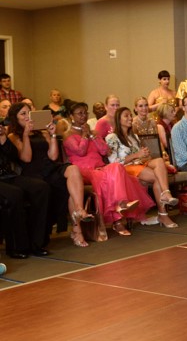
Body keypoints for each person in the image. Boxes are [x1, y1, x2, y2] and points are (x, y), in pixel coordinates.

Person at [7, 102, 93, 248]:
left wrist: (52, 134)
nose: (27, 116)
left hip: (50, 167)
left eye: (29, 113)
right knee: (67, 189)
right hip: (32, 172)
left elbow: (53, 156)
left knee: (73, 169)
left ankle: (79, 210)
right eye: (23, 114)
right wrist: (26, 135)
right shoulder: (13, 136)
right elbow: (26, 158)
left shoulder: (43, 132)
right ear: (15, 118)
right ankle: (77, 231)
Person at [63, 102, 155, 236]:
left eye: (85, 113)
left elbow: (104, 150)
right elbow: (81, 151)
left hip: (99, 168)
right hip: (82, 171)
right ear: (72, 116)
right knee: (108, 179)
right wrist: (84, 135)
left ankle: (121, 204)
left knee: (117, 167)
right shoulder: (68, 134)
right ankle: (117, 222)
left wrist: (92, 136)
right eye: (80, 113)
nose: (83, 116)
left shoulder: (93, 133)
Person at [105, 107, 179, 229]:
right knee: (158, 177)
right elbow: (113, 162)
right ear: (118, 119)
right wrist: (136, 155)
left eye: (130, 115)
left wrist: (145, 155)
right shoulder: (112, 137)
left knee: (159, 161)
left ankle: (166, 193)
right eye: (126, 116)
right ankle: (163, 213)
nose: (130, 118)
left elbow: (141, 157)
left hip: (139, 164)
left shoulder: (134, 136)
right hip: (125, 168)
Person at [0, 120, 50, 258]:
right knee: (15, 194)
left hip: (7, 175)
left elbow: (13, 157)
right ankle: (17, 247)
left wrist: (3, 137)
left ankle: (37, 243)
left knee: (41, 187)